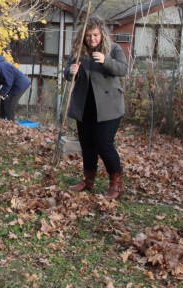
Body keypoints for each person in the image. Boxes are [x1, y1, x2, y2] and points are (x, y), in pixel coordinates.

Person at [63, 17, 129, 199]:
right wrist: (71, 72)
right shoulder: (78, 51)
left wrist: (106, 60)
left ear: (102, 34)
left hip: (109, 107)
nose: (92, 39)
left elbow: (123, 69)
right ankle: (88, 180)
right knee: (87, 144)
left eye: (95, 35)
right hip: (84, 105)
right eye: (88, 35)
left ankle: (116, 185)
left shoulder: (113, 49)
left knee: (104, 144)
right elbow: (67, 73)